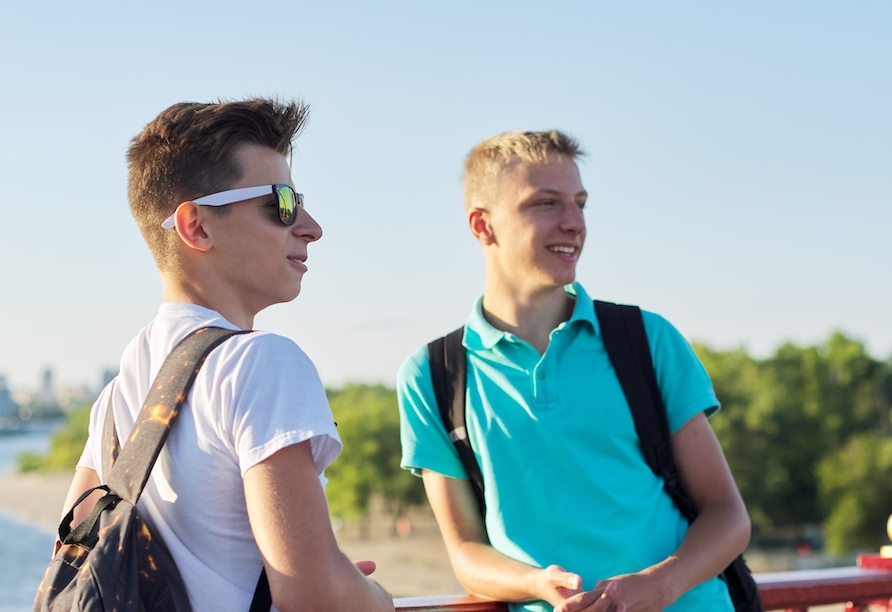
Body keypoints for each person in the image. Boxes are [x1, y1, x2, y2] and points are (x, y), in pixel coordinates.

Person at [59, 98, 394, 612]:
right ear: (195, 226)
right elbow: (312, 593)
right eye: (282, 203)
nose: (310, 225)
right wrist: (369, 595)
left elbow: (71, 559)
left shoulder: (117, 399)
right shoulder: (260, 363)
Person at [397, 130, 751, 612]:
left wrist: (660, 585)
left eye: (580, 203)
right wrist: (537, 582)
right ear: (482, 226)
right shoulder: (431, 377)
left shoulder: (647, 340)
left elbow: (727, 514)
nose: (574, 223)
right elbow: (466, 553)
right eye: (546, 204)